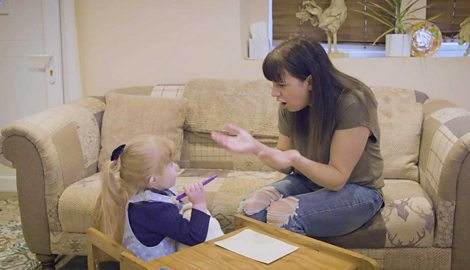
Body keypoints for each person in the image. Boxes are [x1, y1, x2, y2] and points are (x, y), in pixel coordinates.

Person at [211, 36, 384, 238]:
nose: (274, 92)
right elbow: (285, 162)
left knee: (283, 214)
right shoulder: (290, 105)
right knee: (252, 207)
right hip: (309, 181)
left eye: (281, 85)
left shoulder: (353, 102)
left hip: (359, 190)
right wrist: (256, 148)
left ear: (309, 81)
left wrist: (296, 158)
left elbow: (337, 179)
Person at [95, 135, 223, 261]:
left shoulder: (136, 194)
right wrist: (199, 204)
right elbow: (194, 237)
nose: (176, 167)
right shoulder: (156, 210)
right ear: (153, 180)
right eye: (171, 164)